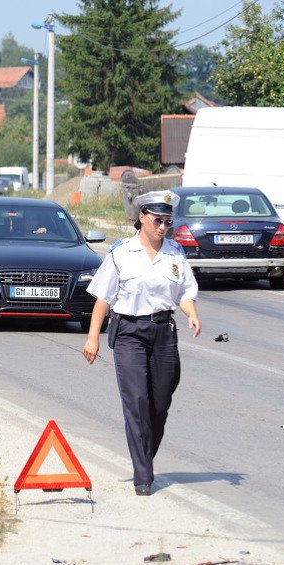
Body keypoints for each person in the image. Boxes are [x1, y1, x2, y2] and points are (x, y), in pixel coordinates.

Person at [82, 190, 201, 497]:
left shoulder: (175, 253)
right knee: (137, 402)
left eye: (168, 221)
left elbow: (185, 292)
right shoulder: (121, 252)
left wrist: (192, 314)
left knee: (160, 403)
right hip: (129, 333)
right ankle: (143, 475)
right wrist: (93, 337)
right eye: (158, 220)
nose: (163, 227)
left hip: (163, 331)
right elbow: (103, 299)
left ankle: (144, 456)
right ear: (142, 218)